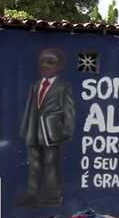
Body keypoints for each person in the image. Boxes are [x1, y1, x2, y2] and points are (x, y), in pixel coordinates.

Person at [17, 48, 76, 208]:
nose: (45, 66)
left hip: (51, 133)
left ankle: (53, 195)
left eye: (50, 63)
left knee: (51, 163)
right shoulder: (35, 86)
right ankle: (32, 195)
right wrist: (25, 128)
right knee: (34, 165)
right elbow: (30, 107)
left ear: (59, 66)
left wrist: (66, 131)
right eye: (42, 62)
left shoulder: (63, 87)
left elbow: (68, 111)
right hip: (34, 131)